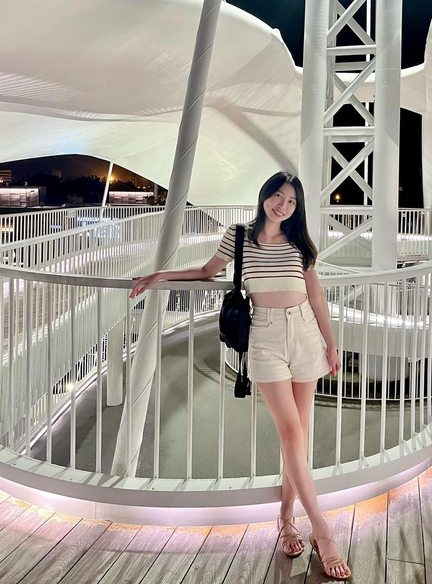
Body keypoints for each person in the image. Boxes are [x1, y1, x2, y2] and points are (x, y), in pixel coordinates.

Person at [131, 172, 351, 581]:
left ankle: (286, 518)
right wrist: (160, 275)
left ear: (297, 208)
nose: (282, 206)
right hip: (265, 337)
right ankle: (322, 531)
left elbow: (316, 295)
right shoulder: (239, 237)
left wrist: (331, 344)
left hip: (305, 334)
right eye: (277, 196)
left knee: (299, 437)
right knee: (291, 433)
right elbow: (206, 271)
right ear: (264, 196)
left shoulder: (300, 243)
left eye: (291, 201)